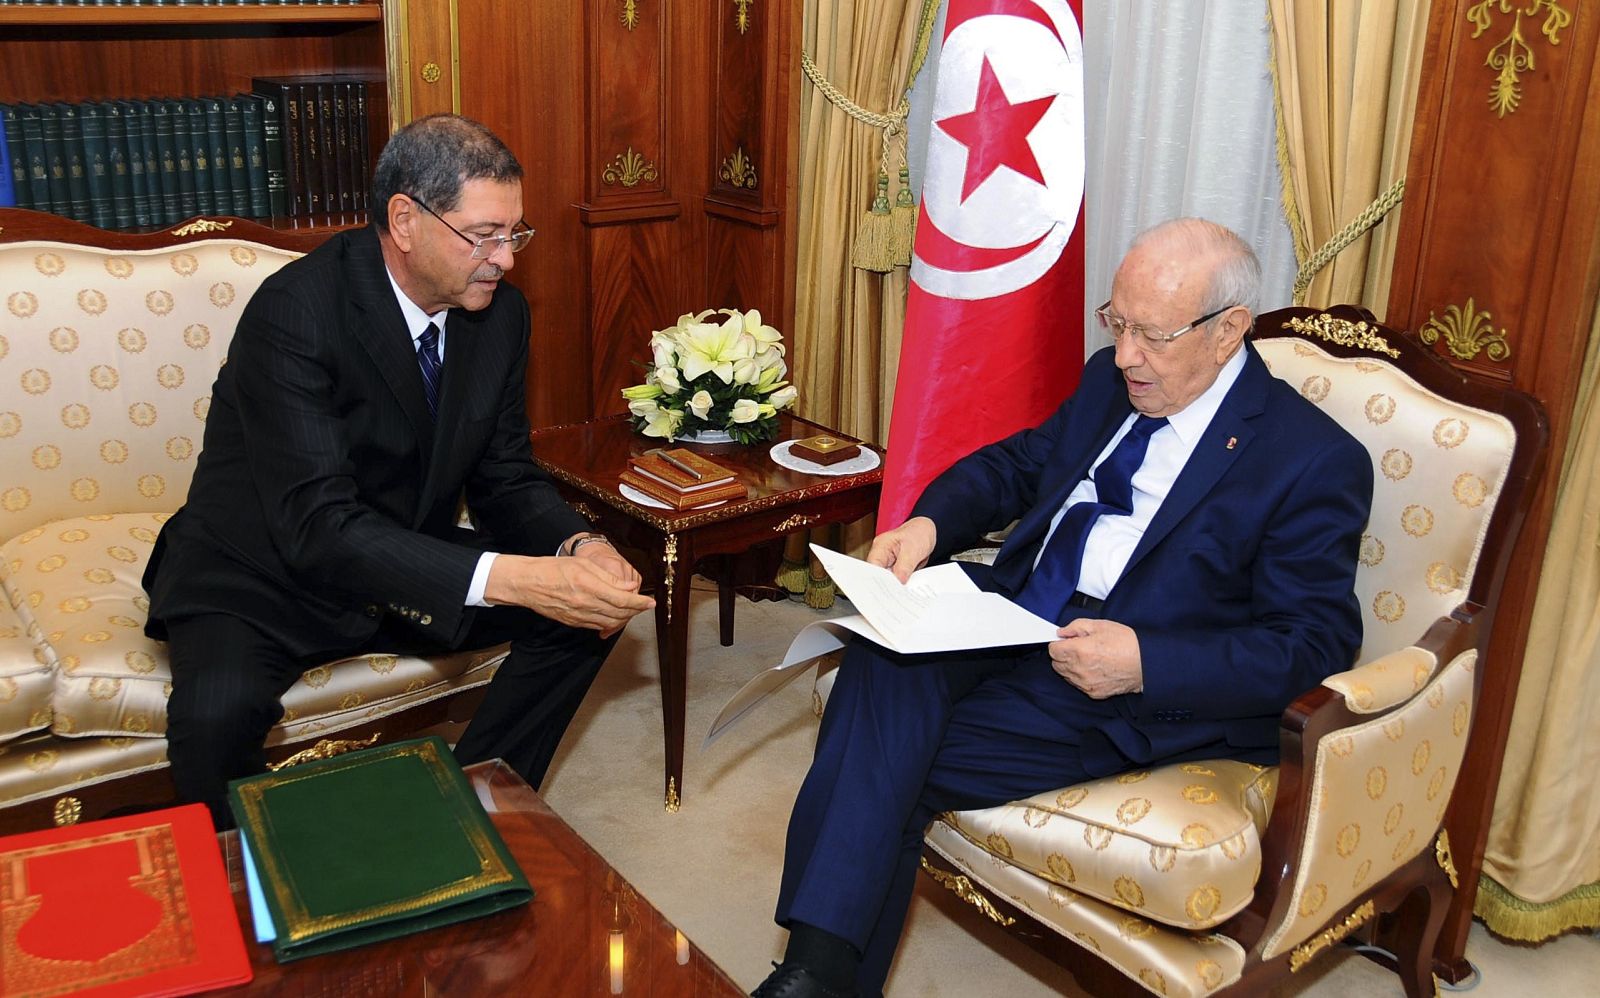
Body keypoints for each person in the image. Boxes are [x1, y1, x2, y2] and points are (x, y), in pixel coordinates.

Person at [752, 218, 1374, 998]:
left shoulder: (1311, 459)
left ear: (1229, 333)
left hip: (1115, 683)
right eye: (1116, 323)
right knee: (882, 651)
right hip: (1016, 614)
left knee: (883, 755)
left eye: (1150, 334)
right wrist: (928, 524)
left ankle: (814, 975)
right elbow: (1019, 464)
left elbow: (1313, 643)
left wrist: (1146, 663)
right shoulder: (1108, 382)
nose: (1126, 357)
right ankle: (821, 974)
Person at [142, 114, 654, 826]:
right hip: (260, 574)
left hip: (401, 554)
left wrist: (577, 547)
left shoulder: (500, 318)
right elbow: (318, 527)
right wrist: (517, 576)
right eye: (484, 235)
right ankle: (248, 898)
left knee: (584, 616)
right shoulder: (296, 312)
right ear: (405, 220)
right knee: (213, 719)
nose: (505, 259)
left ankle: (468, 817)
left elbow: (504, 473)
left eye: (516, 234)